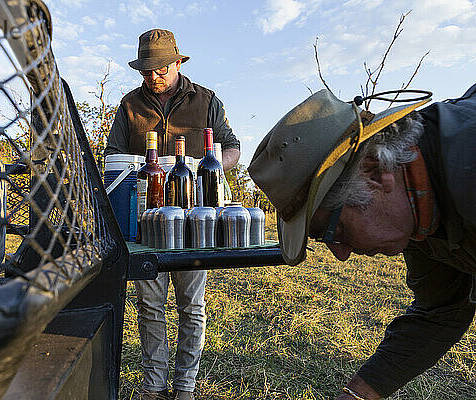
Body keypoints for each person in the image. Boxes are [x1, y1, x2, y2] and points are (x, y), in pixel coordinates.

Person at [249, 83, 476, 399]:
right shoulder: (412, 203)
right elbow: (439, 312)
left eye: (335, 230)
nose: (341, 255)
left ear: (375, 171)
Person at [105, 29, 240, 400]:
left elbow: (232, 148)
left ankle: (184, 388)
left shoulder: (208, 101)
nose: (153, 76)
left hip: (194, 223)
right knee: (149, 305)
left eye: (161, 68)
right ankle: (153, 389)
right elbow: (113, 157)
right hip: (144, 225)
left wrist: (209, 166)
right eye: (146, 70)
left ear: (178, 62)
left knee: (191, 307)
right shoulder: (129, 106)